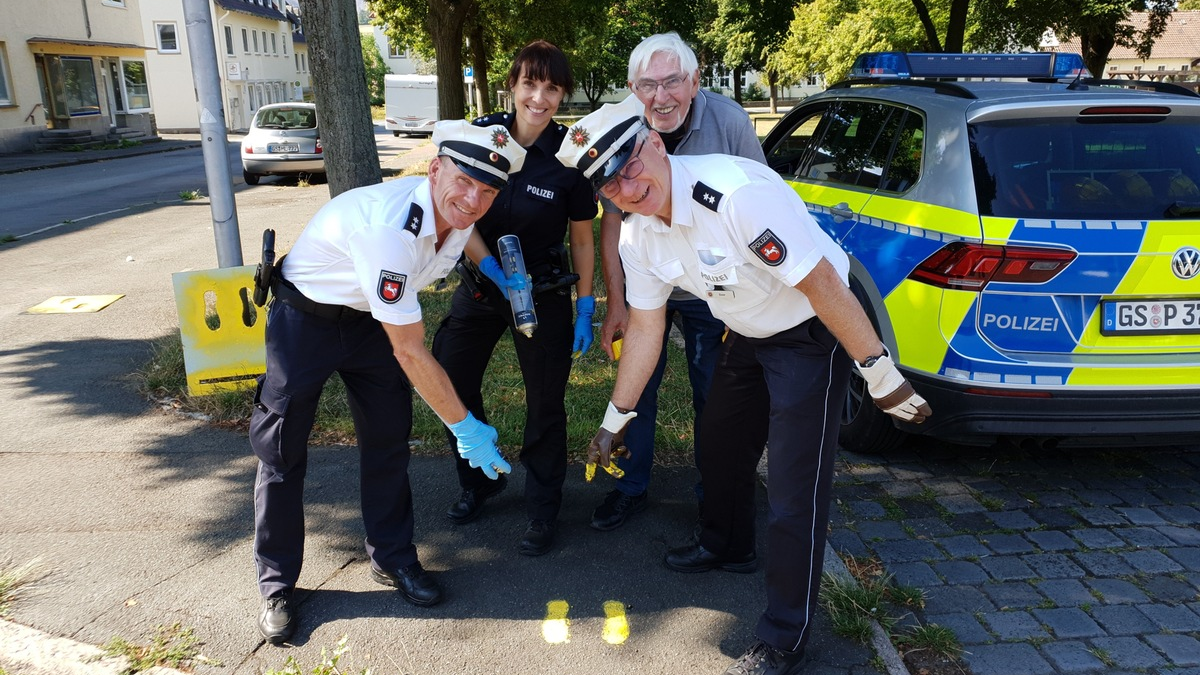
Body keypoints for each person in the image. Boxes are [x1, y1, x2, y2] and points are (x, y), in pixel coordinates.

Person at [557, 99, 932, 675]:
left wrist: (879, 374)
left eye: (630, 164)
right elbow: (648, 330)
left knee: (792, 491)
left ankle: (784, 636)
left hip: (811, 330)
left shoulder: (731, 196)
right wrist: (616, 417)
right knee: (719, 448)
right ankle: (726, 545)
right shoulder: (637, 239)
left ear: (656, 143)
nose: (628, 187)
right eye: (609, 184)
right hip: (748, 331)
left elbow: (825, 284)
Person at [249, 120, 524, 645]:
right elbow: (411, 349)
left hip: (368, 319)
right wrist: (464, 425)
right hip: (305, 317)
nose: (472, 200)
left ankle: (393, 558)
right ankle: (277, 585)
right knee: (281, 451)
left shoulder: (461, 209)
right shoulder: (389, 230)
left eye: (488, 190)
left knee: (388, 439)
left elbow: (465, 229)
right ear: (434, 168)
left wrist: (490, 265)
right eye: (464, 182)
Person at [590, 32, 766, 532]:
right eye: (648, 85)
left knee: (716, 392)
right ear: (632, 87)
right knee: (636, 385)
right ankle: (629, 486)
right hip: (648, 278)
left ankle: (718, 494)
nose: (660, 97)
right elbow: (611, 221)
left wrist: (744, 305)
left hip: (714, 286)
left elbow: (757, 202)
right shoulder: (621, 124)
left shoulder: (729, 121)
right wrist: (615, 301)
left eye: (672, 83)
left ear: (694, 82)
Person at [431, 40, 597, 557]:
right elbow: (464, 215)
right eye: (530, 83)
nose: (540, 97)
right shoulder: (482, 136)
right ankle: (480, 479)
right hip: (483, 286)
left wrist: (587, 304)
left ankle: (543, 508)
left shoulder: (571, 155)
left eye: (552, 87)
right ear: (513, 85)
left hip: (542, 294)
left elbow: (583, 237)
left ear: (562, 93)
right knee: (451, 377)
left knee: (545, 401)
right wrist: (493, 273)